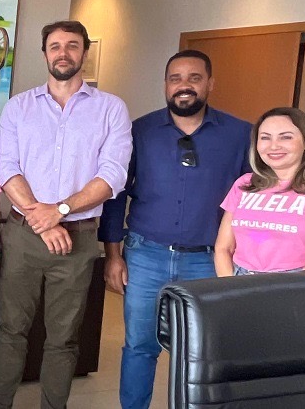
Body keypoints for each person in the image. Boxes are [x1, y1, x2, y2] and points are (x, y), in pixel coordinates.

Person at [0, 20, 131, 409]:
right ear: (45, 54)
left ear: (85, 52)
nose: (63, 53)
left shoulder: (111, 109)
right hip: (22, 236)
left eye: (72, 45)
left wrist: (61, 210)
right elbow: (6, 168)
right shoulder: (19, 107)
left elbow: (113, 175)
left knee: (63, 338)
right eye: (55, 46)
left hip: (78, 239)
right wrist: (43, 219)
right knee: (10, 331)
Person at [98, 49, 251, 409]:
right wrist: (113, 255)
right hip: (145, 256)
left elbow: (253, 198)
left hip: (208, 261)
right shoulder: (139, 131)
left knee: (204, 351)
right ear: (166, 85)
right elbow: (115, 195)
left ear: (210, 83)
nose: (184, 86)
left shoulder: (241, 134)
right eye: (175, 78)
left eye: (194, 78)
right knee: (140, 346)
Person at [214, 107, 305, 276]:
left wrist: (283, 290)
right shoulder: (244, 183)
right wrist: (230, 286)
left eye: (286, 137)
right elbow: (223, 248)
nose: (274, 146)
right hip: (240, 279)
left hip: (296, 282)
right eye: (265, 138)